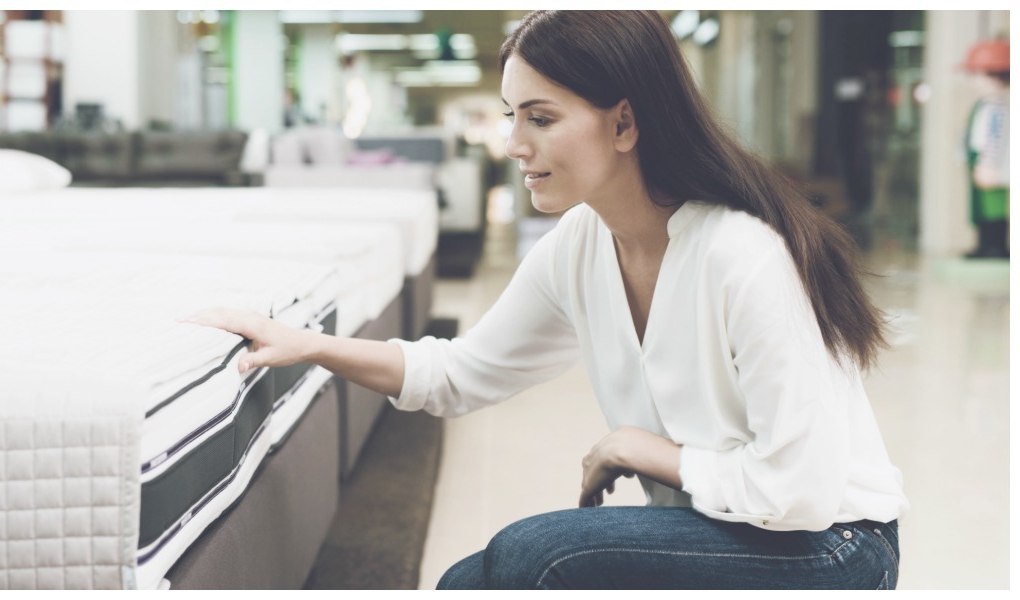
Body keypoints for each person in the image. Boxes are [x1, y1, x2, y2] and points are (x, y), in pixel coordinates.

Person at [185, 10, 908, 590]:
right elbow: (460, 373)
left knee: (537, 556)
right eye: (510, 116)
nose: (512, 144)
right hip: (723, 524)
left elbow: (802, 494)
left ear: (624, 123)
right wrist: (308, 345)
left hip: (833, 548)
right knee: (465, 583)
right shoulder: (581, 245)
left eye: (540, 118)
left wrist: (647, 450)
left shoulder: (742, 254)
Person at [962, 39, 1010, 259]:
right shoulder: (985, 105)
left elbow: (995, 139)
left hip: (990, 165)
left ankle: (995, 245)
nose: (973, 81)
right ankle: (984, 244)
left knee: (994, 208)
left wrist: (989, 164)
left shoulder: (997, 109)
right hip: (978, 161)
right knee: (980, 208)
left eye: (977, 75)